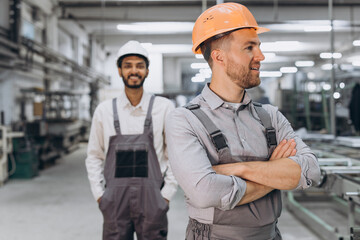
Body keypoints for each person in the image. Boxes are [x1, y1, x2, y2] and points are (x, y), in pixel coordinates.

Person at [165, 3, 321, 240]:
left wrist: (240, 169)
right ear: (219, 57)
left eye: (258, 46)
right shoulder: (184, 120)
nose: (261, 56)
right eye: (249, 47)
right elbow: (205, 192)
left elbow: (311, 170)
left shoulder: (270, 115)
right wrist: (274, 173)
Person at [86, 40, 177, 240]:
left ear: (147, 71)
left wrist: (166, 196)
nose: (133, 71)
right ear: (119, 71)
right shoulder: (104, 111)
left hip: (153, 200)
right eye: (128, 66)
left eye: (139, 66)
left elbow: (175, 156)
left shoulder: (163, 108)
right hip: (115, 202)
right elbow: (93, 155)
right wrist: (100, 196)